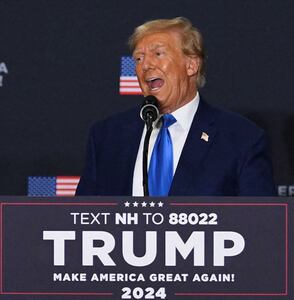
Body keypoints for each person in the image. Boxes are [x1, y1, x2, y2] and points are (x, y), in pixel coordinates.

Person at [76, 17, 275, 196]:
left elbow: (261, 224)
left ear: (191, 65)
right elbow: (80, 219)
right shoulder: (107, 136)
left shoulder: (240, 138)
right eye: (139, 58)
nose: (145, 65)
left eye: (158, 53)